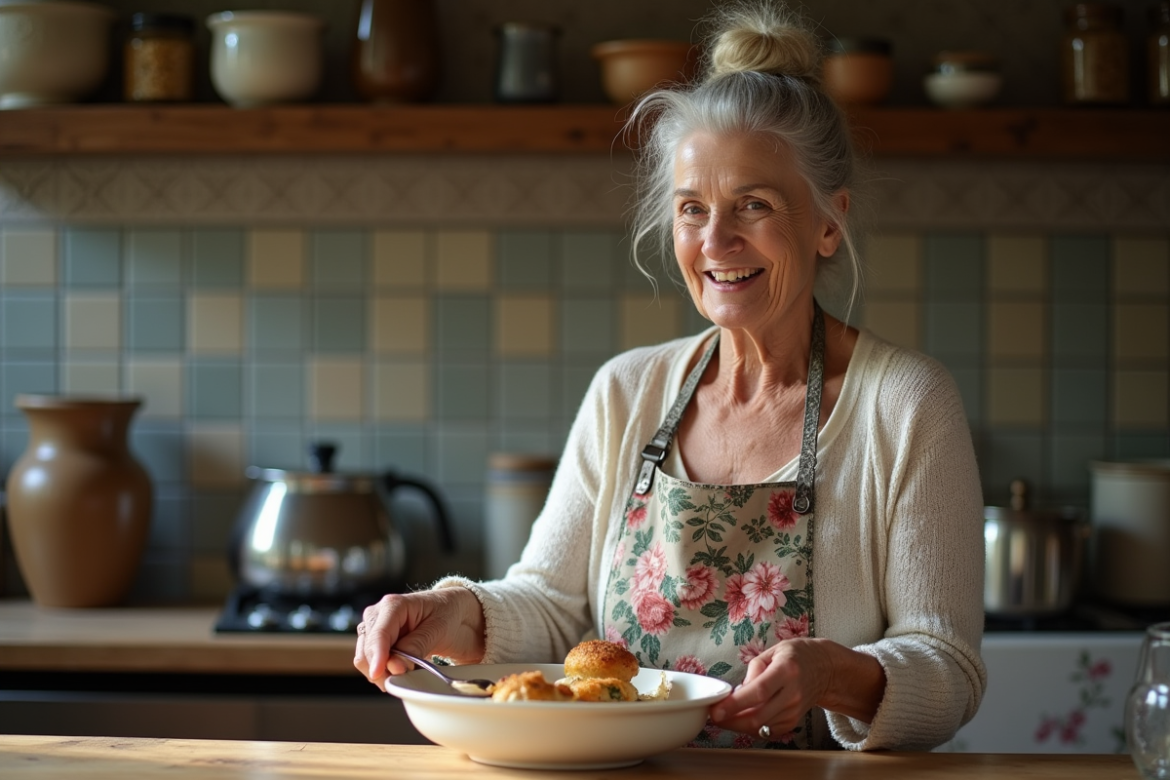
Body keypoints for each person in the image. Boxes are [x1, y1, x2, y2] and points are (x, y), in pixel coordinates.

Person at [355, 0, 986, 751]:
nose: (716, 241)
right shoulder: (627, 392)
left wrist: (836, 675)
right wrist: (454, 614)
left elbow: (948, 668)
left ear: (828, 222)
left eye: (752, 205)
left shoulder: (906, 403)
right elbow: (553, 604)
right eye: (693, 209)